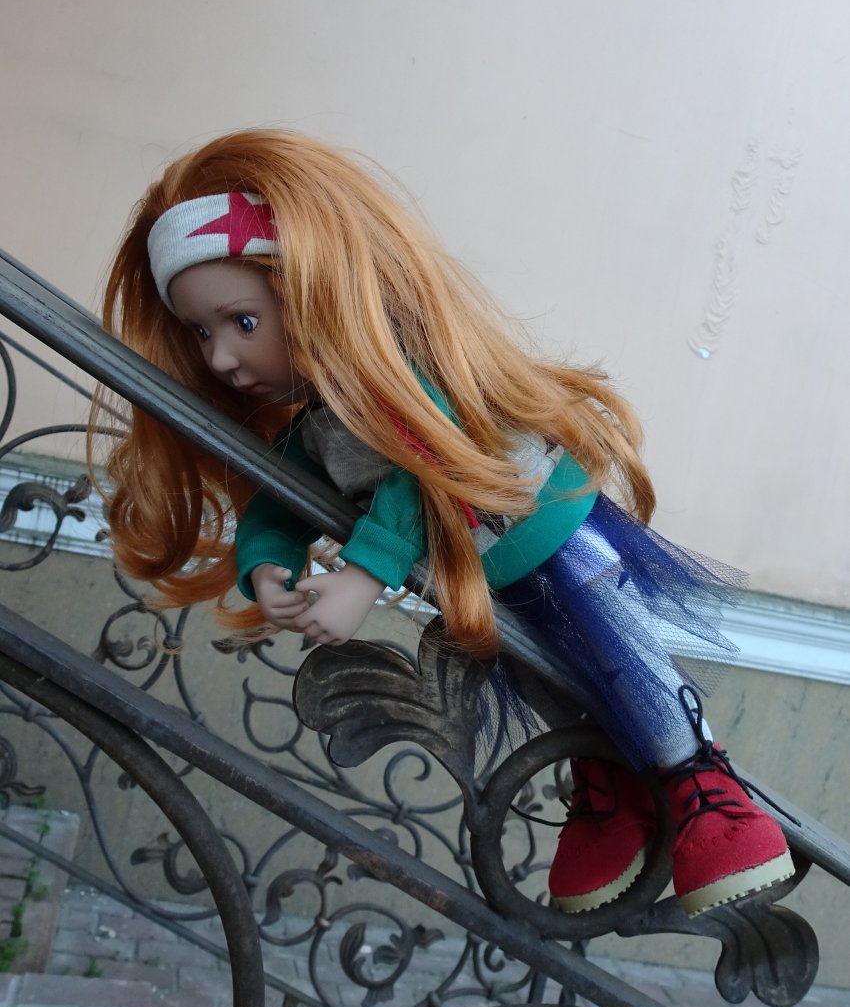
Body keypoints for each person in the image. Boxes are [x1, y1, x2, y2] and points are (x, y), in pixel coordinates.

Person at [96, 128, 794, 919]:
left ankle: (707, 790)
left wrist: (362, 576)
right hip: (486, 579)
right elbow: (275, 501)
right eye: (202, 333)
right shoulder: (318, 426)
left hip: (554, 536)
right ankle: (613, 788)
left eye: (241, 323)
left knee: (620, 657)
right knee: (552, 685)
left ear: (312, 291)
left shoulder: (400, 377)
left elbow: (416, 466)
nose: (220, 358)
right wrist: (266, 562)